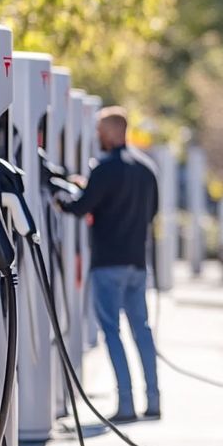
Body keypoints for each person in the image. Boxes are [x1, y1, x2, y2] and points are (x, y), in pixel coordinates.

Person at [56, 106, 161, 423]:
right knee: (141, 330)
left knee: (112, 333)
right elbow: (151, 211)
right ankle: (154, 401)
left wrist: (59, 197)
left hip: (107, 264)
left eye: (101, 131)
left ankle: (126, 405)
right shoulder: (146, 169)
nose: (98, 136)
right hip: (137, 264)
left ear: (114, 131)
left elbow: (80, 208)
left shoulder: (103, 170)